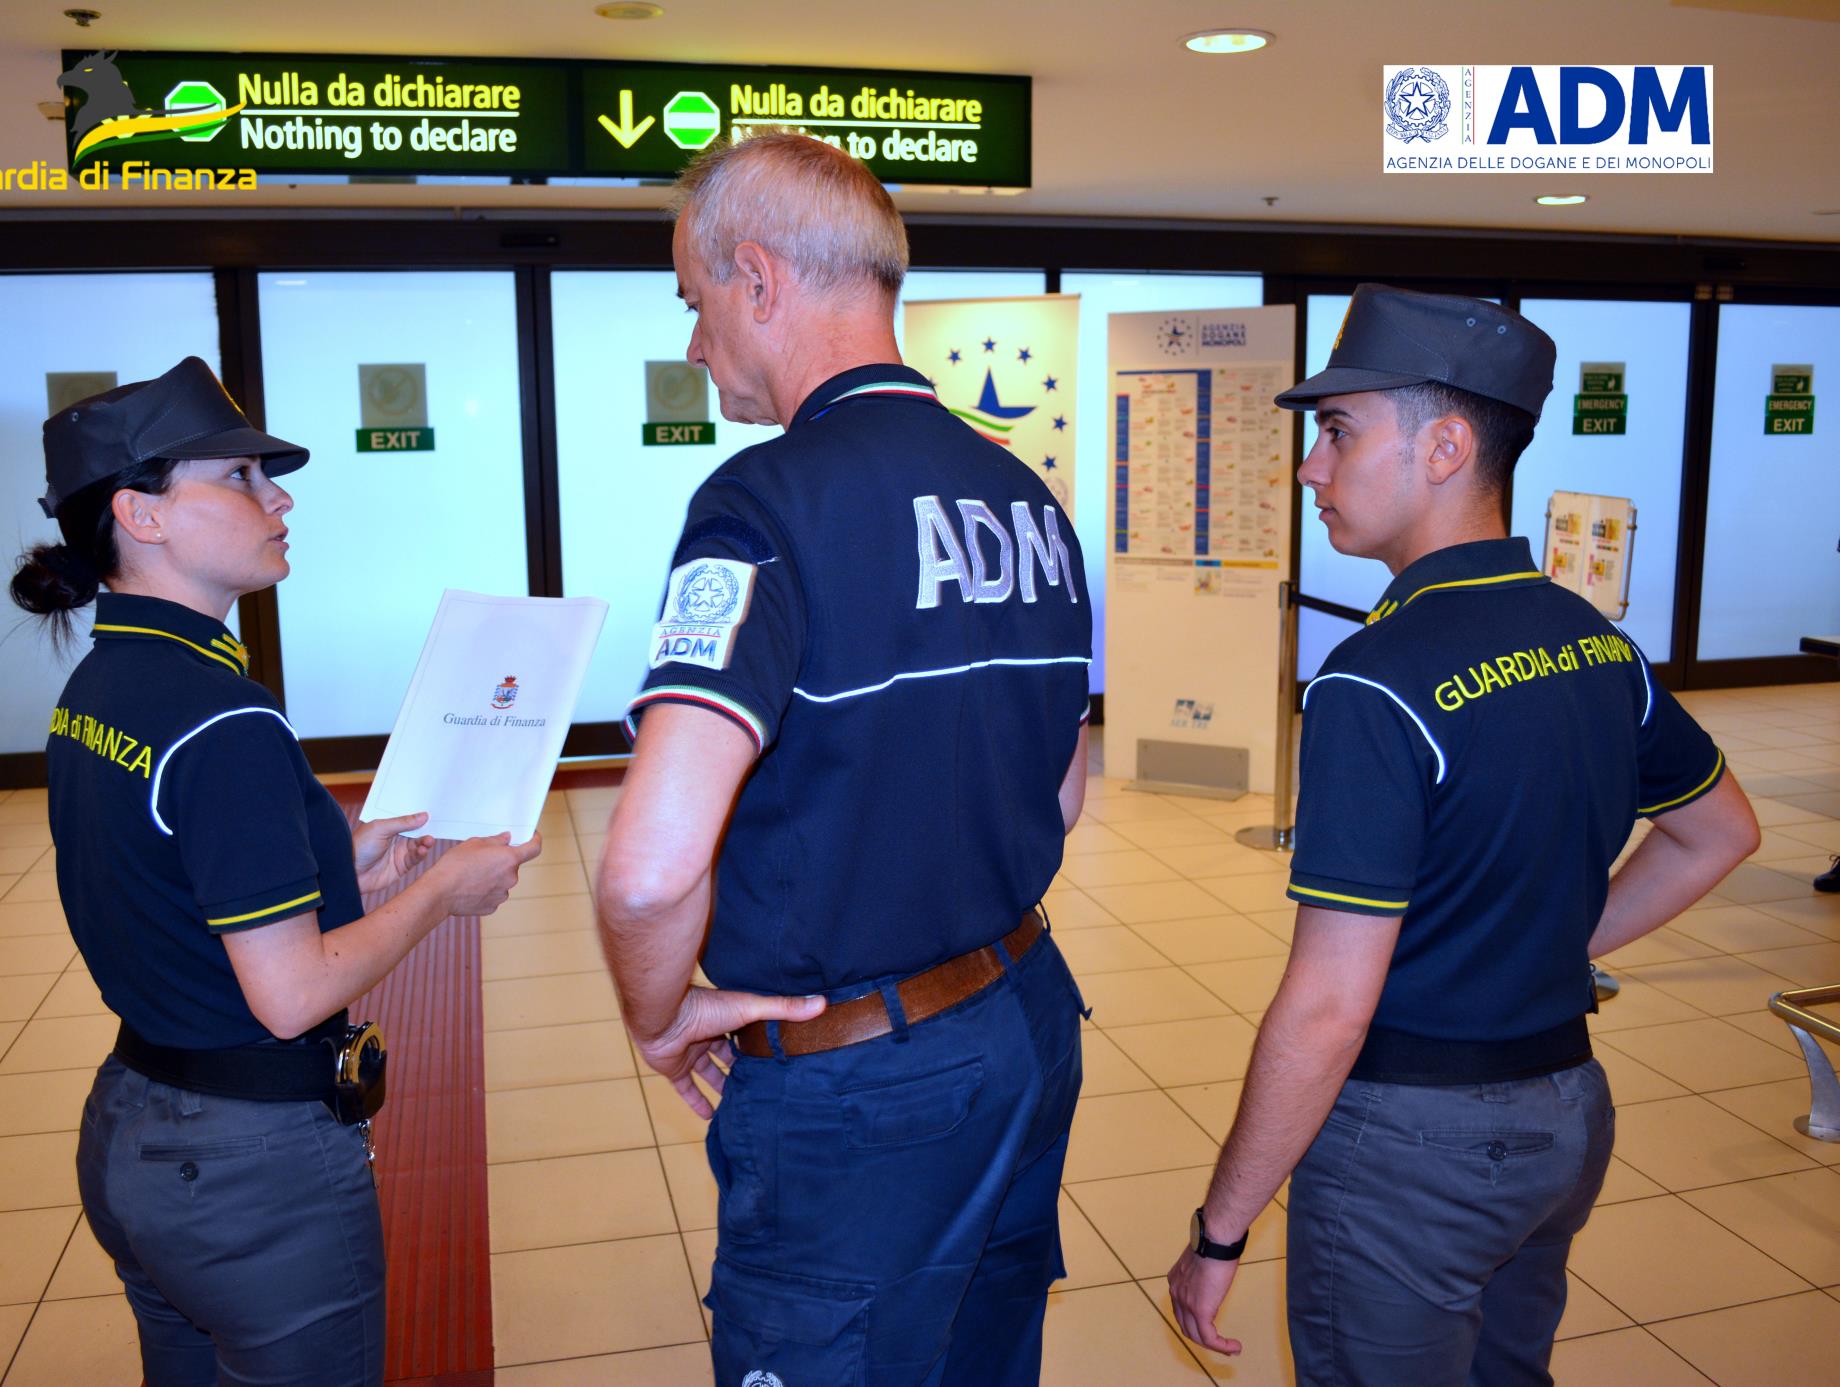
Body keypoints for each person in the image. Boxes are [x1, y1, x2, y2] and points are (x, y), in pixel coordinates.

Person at [1164, 286, 1761, 1384]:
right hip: (1567, 1116)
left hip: (1418, 1150)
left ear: (1444, 447)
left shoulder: (1375, 680)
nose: (1311, 466)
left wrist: (1221, 1229)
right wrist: (1559, 948)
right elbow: (1719, 831)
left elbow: (1332, 1004)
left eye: (1338, 431)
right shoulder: (1592, 640)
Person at [594, 132, 1093, 1386]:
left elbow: (650, 871)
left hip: (863, 1086)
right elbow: (1066, 784)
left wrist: (661, 1020)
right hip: (1022, 1023)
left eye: (694, 302)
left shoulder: (762, 506)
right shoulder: (1030, 500)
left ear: (757, 279)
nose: (697, 343)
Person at [15, 357, 540, 1387]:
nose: (280, 497)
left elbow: (169, 879)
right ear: (142, 515)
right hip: (250, 1172)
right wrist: (442, 889)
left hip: (134, 1130)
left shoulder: (106, 682)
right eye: (241, 478)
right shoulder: (223, 714)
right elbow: (291, 994)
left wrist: (345, 862)